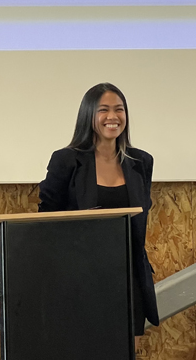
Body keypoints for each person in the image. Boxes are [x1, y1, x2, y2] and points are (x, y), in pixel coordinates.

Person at [38, 82, 159, 343]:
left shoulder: (141, 162)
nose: (113, 117)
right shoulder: (66, 160)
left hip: (128, 279)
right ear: (88, 115)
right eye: (104, 110)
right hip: (79, 280)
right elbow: (45, 222)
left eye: (119, 109)